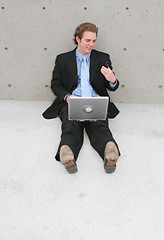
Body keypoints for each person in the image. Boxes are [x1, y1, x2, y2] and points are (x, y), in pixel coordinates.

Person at [43, 22, 120, 174]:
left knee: (100, 126)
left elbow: (113, 85)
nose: (91, 44)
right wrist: (67, 97)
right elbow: (55, 84)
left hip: (95, 100)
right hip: (71, 101)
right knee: (70, 126)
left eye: (94, 40)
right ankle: (67, 153)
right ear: (78, 39)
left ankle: (109, 151)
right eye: (87, 40)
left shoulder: (103, 58)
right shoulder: (63, 59)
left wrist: (112, 80)